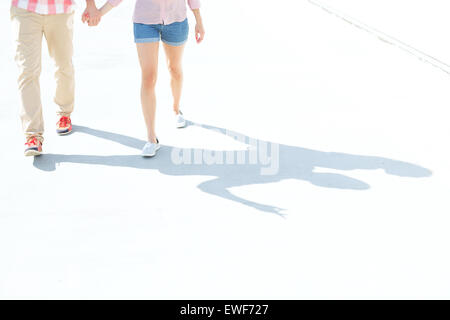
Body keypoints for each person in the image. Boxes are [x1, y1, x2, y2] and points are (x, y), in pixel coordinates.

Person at [86, 0, 205, 157]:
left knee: (174, 69)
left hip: (176, 21)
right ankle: (151, 138)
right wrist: (99, 12)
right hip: (145, 22)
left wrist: (199, 21)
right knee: (148, 77)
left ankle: (176, 109)